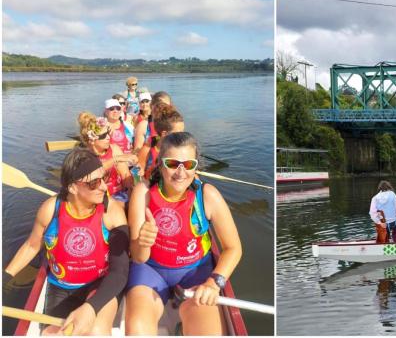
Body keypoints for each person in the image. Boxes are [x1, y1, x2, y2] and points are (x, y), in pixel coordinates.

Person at [125, 132, 242, 335]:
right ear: (160, 165)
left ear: (195, 166)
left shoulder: (208, 195)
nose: (180, 172)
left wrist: (214, 283)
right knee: (137, 328)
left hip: (196, 273)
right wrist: (143, 242)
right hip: (151, 270)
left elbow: (234, 248)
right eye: (172, 163)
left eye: (188, 165)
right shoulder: (142, 192)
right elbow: (138, 256)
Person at [4, 149, 129, 335]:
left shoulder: (112, 211)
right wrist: (4, 277)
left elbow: (120, 272)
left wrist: (90, 307)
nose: (104, 187)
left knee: (96, 331)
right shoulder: (49, 209)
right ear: (72, 187)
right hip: (61, 287)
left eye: (103, 178)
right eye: (94, 183)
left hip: (100, 284)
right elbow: (31, 245)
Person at [77, 112, 137, 206]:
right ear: (92, 140)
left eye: (108, 133)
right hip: (96, 198)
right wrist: (116, 159)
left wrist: (131, 192)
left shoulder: (114, 149)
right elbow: (95, 172)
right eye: (103, 136)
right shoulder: (83, 156)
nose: (108, 137)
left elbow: (125, 175)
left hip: (118, 193)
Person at [138, 104, 185, 180]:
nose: (182, 135)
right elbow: (138, 175)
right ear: (164, 134)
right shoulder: (147, 150)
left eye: (183, 131)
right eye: (178, 133)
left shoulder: (182, 149)